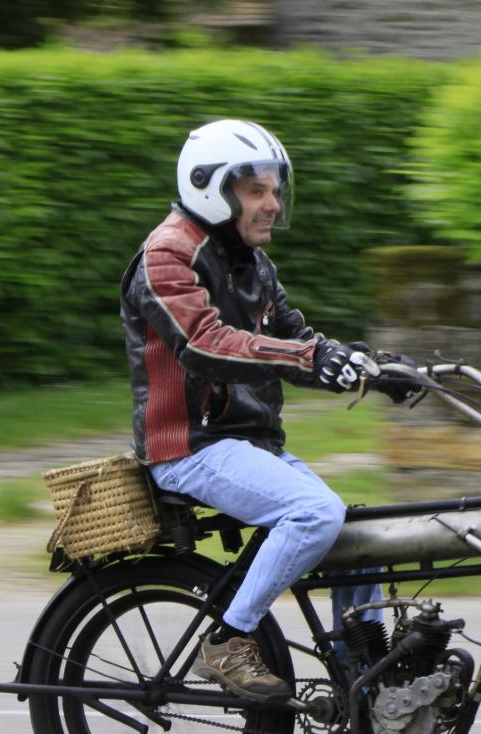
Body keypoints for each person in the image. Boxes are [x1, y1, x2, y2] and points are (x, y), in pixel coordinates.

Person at [120, 118, 417, 700]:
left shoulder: (253, 263)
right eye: (257, 190)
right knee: (315, 513)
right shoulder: (168, 254)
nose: (274, 205)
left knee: (359, 538)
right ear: (211, 187)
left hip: (247, 444)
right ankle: (227, 641)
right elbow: (205, 343)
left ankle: (364, 681)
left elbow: (295, 339)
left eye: (276, 190)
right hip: (189, 446)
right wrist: (311, 357)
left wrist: (372, 369)